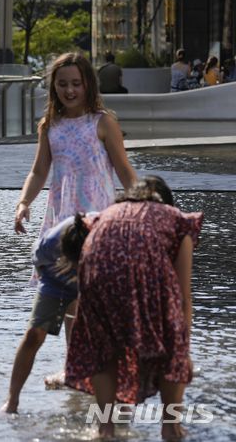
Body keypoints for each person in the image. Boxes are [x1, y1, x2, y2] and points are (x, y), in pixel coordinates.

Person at [7, 52, 136, 410]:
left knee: (88, 300)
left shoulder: (103, 122)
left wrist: (143, 206)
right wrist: (23, 203)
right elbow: (38, 171)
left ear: (88, 84)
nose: (69, 90)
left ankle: (92, 368)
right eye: (62, 84)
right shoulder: (50, 125)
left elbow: (124, 170)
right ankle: (76, 367)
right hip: (62, 225)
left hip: (98, 221)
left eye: (75, 83)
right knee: (69, 301)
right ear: (54, 87)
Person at [61, 176, 202, 439]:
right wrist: (183, 346)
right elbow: (183, 296)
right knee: (173, 344)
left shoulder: (106, 213)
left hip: (95, 271)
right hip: (140, 268)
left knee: (105, 347)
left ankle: (104, 428)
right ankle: (170, 427)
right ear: (163, 200)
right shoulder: (177, 219)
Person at [0, 213, 91, 414]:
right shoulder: (50, 243)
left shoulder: (108, 235)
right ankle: (11, 402)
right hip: (55, 275)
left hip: (95, 275)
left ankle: (96, 398)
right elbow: (39, 264)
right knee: (34, 334)